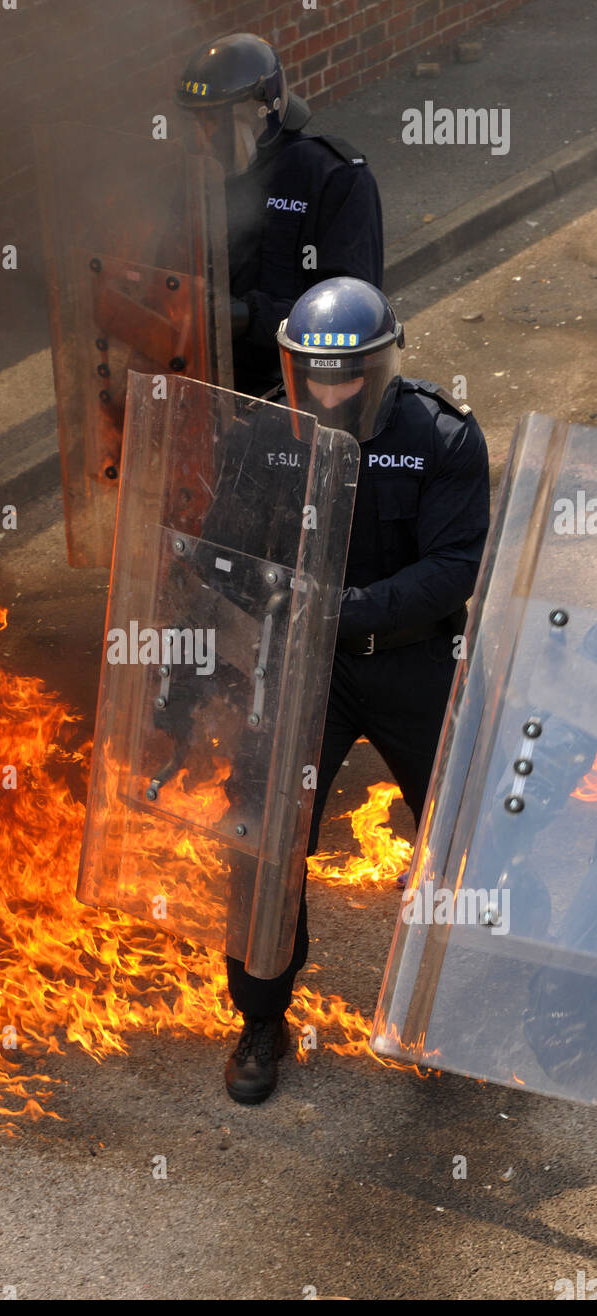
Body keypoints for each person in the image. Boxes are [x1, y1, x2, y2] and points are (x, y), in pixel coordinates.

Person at [224, 276, 491, 1104]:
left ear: (379, 366)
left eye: (347, 375)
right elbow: (226, 549)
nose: (330, 390)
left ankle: (450, 1009)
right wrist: (271, 605)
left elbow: (450, 571)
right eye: (315, 373)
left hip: (414, 660)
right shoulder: (265, 433)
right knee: (266, 837)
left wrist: (334, 606)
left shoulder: (441, 436)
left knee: (457, 836)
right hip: (308, 668)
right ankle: (260, 1019)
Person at [177, 32, 384, 398]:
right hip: (207, 383)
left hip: (303, 390)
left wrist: (243, 317)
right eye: (195, 122)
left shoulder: (333, 178)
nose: (202, 137)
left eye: (214, 121)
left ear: (261, 110)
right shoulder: (198, 182)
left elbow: (350, 320)